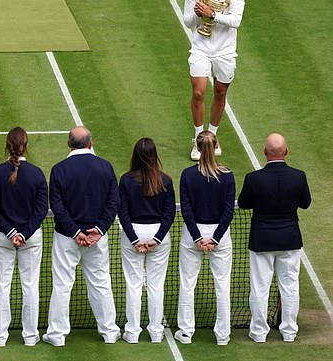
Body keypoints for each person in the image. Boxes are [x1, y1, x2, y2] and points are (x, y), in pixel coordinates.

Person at [43, 126, 121, 346]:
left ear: (69, 144)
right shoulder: (105, 167)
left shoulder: (59, 169)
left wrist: (76, 232)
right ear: (91, 143)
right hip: (96, 238)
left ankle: (57, 335)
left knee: (62, 284)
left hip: (67, 238)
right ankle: (109, 332)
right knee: (100, 282)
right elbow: (113, 202)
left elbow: (57, 207)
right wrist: (99, 230)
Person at [238, 133, 311, 343]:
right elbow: (305, 203)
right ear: (286, 151)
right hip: (289, 240)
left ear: (264, 152)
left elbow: (243, 203)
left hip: (262, 240)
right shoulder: (299, 176)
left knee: (260, 288)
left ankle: (259, 333)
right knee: (290, 286)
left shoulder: (254, 178)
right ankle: (289, 332)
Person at [0, 127, 48, 347]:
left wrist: (11, 232)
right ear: (26, 145)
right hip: (29, 238)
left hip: (3, 237)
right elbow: (41, 211)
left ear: (8, 144)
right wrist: (23, 233)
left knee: (1, 285)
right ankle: (30, 336)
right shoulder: (37, 174)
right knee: (30, 285)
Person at [184, 0, 245, 160]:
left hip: (225, 51)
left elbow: (236, 21)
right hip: (201, 48)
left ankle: (213, 136)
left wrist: (213, 14)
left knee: (220, 93)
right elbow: (187, 21)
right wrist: (196, 12)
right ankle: (199, 140)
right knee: (199, 93)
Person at [175, 130, 235, 345]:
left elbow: (186, 209)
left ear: (198, 149)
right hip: (219, 235)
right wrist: (216, 238)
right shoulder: (227, 175)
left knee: (188, 283)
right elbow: (228, 211)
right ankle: (223, 335)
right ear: (216, 146)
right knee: (222, 285)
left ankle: (186, 332)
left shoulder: (188, 175)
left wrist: (197, 237)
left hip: (194, 234)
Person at [118, 138, 175, 344]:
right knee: (156, 285)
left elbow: (122, 212)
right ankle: (156, 332)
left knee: (133, 284)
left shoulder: (126, 180)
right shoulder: (165, 180)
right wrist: (157, 239)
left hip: (133, 233)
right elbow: (169, 214)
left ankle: (132, 333)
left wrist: (134, 239)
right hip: (157, 235)